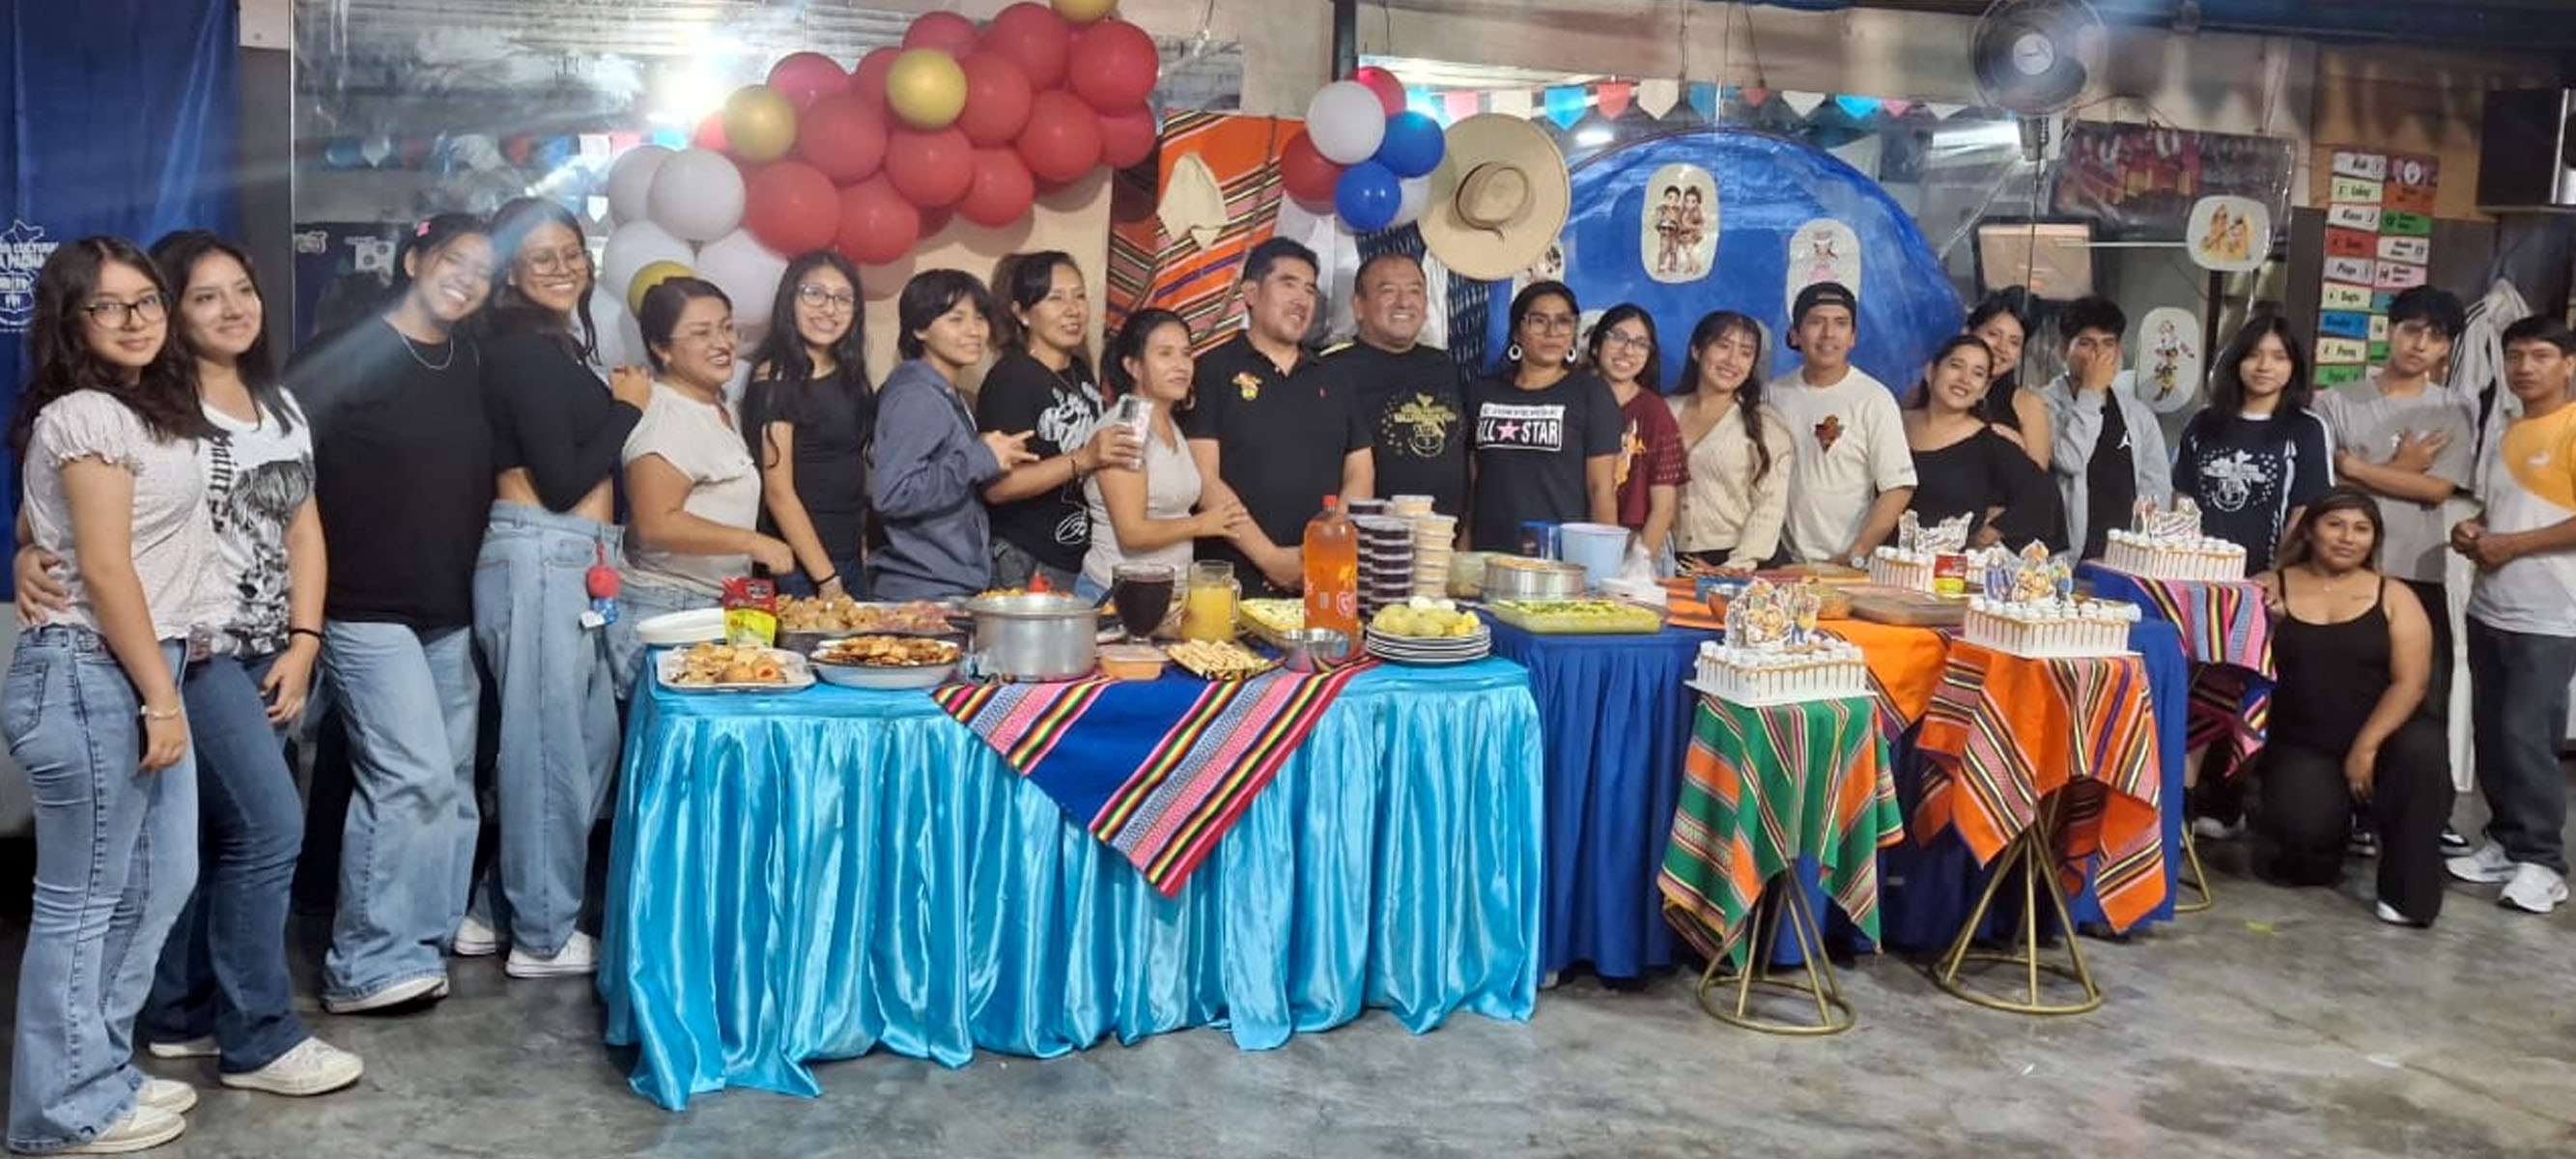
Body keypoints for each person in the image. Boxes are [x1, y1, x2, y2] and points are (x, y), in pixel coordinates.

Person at [4, 238, 220, 1153]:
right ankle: (58, 1111)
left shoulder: (137, 408)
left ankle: (95, 1071)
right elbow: (102, 565)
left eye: (148, 301)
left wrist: (27, 550)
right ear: (72, 320)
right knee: (83, 901)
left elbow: (44, 526)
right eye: (109, 305)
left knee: (161, 878)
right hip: (93, 672)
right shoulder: (86, 411)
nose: (136, 320)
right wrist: (160, 699)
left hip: (133, 664)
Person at [290, 212, 495, 1017]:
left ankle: (422, 943)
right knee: (408, 777)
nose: (467, 280)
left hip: (447, 606)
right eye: (454, 260)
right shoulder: (344, 354)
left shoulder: (468, 360)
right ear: (414, 259)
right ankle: (366, 964)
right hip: (362, 604)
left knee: (452, 783)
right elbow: (281, 474)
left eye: (483, 271)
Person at [461, 197, 653, 980]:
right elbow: (565, 476)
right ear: (509, 270)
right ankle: (542, 935)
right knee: (549, 751)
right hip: (541, 553)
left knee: (587, 744)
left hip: (578, 560)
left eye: (571, 251)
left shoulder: (557, 346)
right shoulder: (521, 353)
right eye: (541, 256)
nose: (562, 267)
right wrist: (627, 410)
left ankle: (493, 911)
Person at [2253, 488, 2448, 927]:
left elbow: (2411, 683)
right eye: (2335, 525)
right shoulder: (2269, 585)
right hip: (2304, 742)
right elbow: (2239, 666)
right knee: (2299, 858)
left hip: (2385, 735)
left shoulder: (2394, 594)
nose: (2347, 538)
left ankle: (2407, 894)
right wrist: (2267, 626)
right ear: (2310, 530)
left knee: (2422, 750)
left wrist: (2366, 747)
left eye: (2361, 529)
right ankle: (2335, 829)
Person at [2447, 315, 2576, 915]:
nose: (2525, 368)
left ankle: (2543, 863)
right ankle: (2504, 841)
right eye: (2516, 356)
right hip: (2492, 605)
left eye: (2541, 356)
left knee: (2528, 735)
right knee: (2494, 733)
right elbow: (2500, 514)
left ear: (2568, 364)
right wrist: (2474, 532)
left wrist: (2512, 545)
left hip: (2551, 613)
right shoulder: (2504, 431)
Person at [609, 277, 794, 686]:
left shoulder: (717, 405)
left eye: (727, 328)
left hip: (709, 603)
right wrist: (754, 543)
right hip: (669, 607)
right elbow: (656, 523)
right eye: (701, 333)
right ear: (661, 347)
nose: (722, 342)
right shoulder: (666, 414)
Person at [1186, 238, 1372, 596]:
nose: (1302, 299)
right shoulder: (1211, 370)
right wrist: (1270, 558)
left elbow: (1360, 473)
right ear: (1251, 293)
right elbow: (1204, 479)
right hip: (1230, 582)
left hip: (1323, 578)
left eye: (1309, 290)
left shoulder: (1335, 377)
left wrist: (1326, 546)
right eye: (1288, 284)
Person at [976, 252, 1139, 592]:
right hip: (1028, 559)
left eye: (1079, 296)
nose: (1072, 309)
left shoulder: (1078, 371)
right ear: (1022, 313)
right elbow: (998, 488)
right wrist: (1085, 458)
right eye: (1055, 298)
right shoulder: (1012, 377)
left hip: (1078, 558)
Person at [871, 269, 1037, 599]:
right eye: (956, 319)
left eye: (980, 317)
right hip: (923, 588)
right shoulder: (918, 396)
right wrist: (980, 458)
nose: (974, 330)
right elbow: (893, 493)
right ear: (920, 328)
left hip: (944, 580)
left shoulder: (945, 392)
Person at [1076, 309, 1246, 598]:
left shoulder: (1167, 419)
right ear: (1133, 366)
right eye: (1165, 354)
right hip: (1117, 595)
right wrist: (1202, 524)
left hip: (1165, 595)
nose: (1180, 365)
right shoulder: (1128, 426)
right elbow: (1132, 532)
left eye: (1186, 354)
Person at [741, 251, 872, 599]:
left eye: (842, 298)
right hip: (803, 568)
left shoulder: (850, 374)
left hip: (847, 556)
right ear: (790, 299)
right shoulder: (776, 379)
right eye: (814, 293)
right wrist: (826, 578)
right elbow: (779, 493)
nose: (829, 309)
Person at [1463, 280, 1621, 552]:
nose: (1552, 332)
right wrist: (1464, 542)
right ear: (1517, 331)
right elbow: (1470, 480)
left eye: (1563, 321)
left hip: (1560, 557)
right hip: (1487, 554)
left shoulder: (1591, 393)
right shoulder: (1482, 392)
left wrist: (1603, 562)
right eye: (1539, 321)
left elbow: (1601, 489)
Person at [1764, 281, 1914, 564]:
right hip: (1782, 562)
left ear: (1853, 336)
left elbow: (1898, 488)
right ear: (1795, 334)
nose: (1828, 333)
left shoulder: (1874, 399)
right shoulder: (1773, 395)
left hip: (1848, 565)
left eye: (1841, 323)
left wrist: (1855, 554)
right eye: (1816, 322)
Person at [2173, 315, 2334, 574]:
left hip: (2269, 576)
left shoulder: (2307, 429)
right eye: (2253, 355)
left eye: (2279, 357)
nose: (2264, 366)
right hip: (2196, 572)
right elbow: (2184, 496)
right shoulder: (2203, 421)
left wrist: (2276, 573)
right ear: (2237, 361)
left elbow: (2305, 511)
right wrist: (2192, 560)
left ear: (2294, 366)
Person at [1320, 253, 1467, 520]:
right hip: (1367, 537)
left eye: (1415, 291)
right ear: (1358, 306)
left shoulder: (1443, 365)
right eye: (1388, 291)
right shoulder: (1330, 371)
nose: (1404, 302)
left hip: (1443, 538)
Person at [2040, 297, 2170, 559]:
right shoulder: (2041, 405)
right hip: (2061, 559)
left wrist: (2146, 548)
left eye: (2108, 344)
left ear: (2118, 351)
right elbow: (2070, 460)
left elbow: (2156, 489)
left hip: (2124, 560)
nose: (2098, 355)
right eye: (2086, 344)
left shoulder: (2138, 415)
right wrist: (2091, 391)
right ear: (2064, 350)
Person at [1901, 335, 2060, 550]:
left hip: (1947, 567)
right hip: (1874, 558)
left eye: (1977, 373)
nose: (1964, 379)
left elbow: (2042, 494)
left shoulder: (1989, 442)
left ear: (1984, 389)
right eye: (1956, 366)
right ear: (1931, 371)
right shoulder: (1893, 424)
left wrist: (1990, 532)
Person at [1667, 310, 1791, 570]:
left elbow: (1770, 506)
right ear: (1697, 350)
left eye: (1745, 353)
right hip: (1675, 561)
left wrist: (1734, 567)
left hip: (1743, 563)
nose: (1732, 360)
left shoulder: (1764, 423)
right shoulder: (1664, 411)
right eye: (1723, 346)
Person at [1588, 304, 1687, 562]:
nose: (1628, 350)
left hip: (1637, 545)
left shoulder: (1655, 411)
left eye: (1641, 343)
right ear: (1596, 345)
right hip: (1574, 538)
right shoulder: (1573, 399)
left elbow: (1664, 508)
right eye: (1618, 337)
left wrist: (1636, 567)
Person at [1965, 288, 2050, 469]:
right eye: (1993, 334)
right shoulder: (1934, 389)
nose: (2002, 348)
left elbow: (2039, 480)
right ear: (1968, 332)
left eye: (2014, 342)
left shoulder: (2027, 404)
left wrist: (2018, 447)